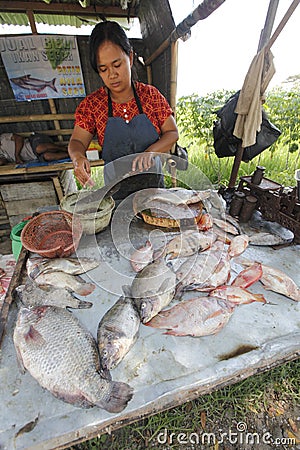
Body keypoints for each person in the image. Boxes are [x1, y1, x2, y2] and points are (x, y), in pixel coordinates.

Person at [68, 20, 178, 198]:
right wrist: (78, 158)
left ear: (131, 57)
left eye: (117, 65)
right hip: (116, 194)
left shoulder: (150, 96)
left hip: (154, 190)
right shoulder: (93, 105)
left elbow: (172, 133)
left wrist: (150, 152)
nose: (112, 75)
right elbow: (77, 142)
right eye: (103, 69)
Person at [0, 132, 69, 166]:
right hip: (34, 156)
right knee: (48, 156)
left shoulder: (3, 137)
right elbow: (3, 162)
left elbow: (19, 138)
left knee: (39, 148)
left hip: (33, 142)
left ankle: (65, 148)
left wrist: (17, 155)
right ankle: (69, 155)